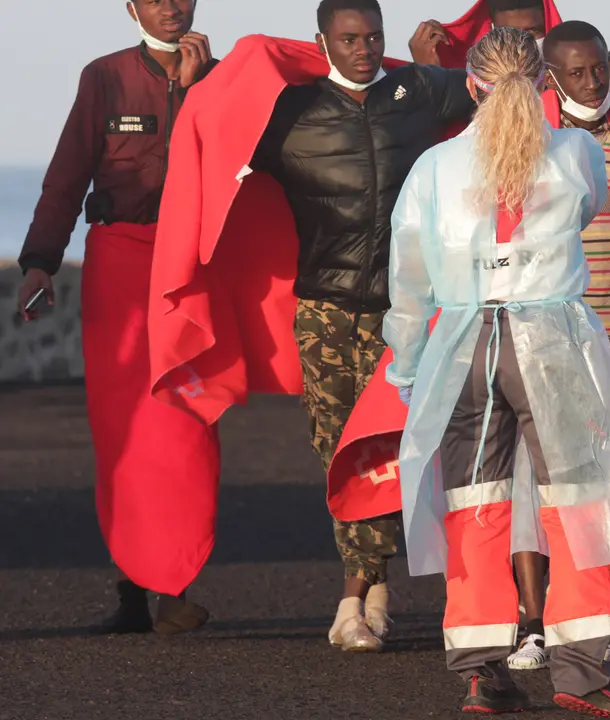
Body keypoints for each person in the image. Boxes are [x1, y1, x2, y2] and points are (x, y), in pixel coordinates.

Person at [385, 26, 610, 718]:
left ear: (471, 85)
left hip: (464, 345)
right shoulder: (576, 152)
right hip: (552, 341)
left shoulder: (433, 167)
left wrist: (410, 369)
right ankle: (583, 673)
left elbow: (408, 280)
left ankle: (480, 671)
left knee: (473, 504)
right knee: (576, 503)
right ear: (543, 82)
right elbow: (587, 209)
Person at [245, 0, 474, 652]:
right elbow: (210, 143)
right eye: (349, 39)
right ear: (323, 42)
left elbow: (502, 88)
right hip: (324, 311)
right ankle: (371, 586)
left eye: (373, 37)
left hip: (407, 311)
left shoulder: (416, 89)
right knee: (338, 451)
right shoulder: (290, 112)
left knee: (403, 449)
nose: (364, 49)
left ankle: (356, 597)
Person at [15, 0, 216, 635]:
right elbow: (68, 172)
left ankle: (176, 582)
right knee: (123, 428)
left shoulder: (222, 76)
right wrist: (40, 261)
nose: (170, 6)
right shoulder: (103, 76)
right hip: (120, 262)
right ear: (130, 7)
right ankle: (133, 589)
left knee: (187, 424)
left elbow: (240, 165)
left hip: (192, 266)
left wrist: (196, 90)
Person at [501, 18, 610, 672]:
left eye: (599, 69)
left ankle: (584, 620)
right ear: (550, 78)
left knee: (593, 487)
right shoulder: (529, 137)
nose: (592, 82)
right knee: (531, 484)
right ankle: (533, 624)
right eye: (577, 73)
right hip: (544, 336)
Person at [409, 0, 610, 114]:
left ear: (549, 27)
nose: (521, 46)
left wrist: (605, 87)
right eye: (509, 34)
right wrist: (429, 77)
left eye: (532, 33)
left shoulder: (606, 76)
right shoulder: (472, 88)